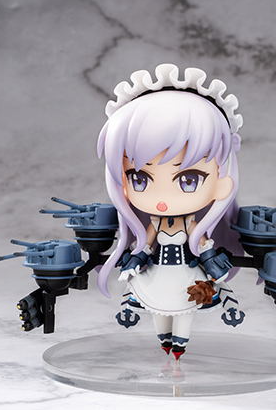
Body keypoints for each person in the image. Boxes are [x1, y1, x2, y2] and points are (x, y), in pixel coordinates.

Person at [96, 64, 245, 359]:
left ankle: (179, 346)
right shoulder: (153, 223)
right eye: (139, 179)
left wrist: (212, 264)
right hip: (157, 276)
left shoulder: (191, 226)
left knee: (184, 311)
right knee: (159, 311)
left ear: (221, 182)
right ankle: (166, 343)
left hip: (186, 275)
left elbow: (204, 248)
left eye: (189, 179)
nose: (163, 199)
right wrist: (135, 261)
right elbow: (145, 245)